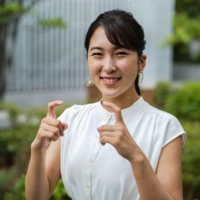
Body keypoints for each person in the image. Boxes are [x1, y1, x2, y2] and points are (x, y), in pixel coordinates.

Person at [25, 9, 186, 200]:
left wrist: (136, 157)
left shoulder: (165, 127)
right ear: (88, 60)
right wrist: (38, 148)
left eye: (120, 53)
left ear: (141, 62)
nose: (108, 66)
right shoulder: (71, 118)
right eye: (98, 54)